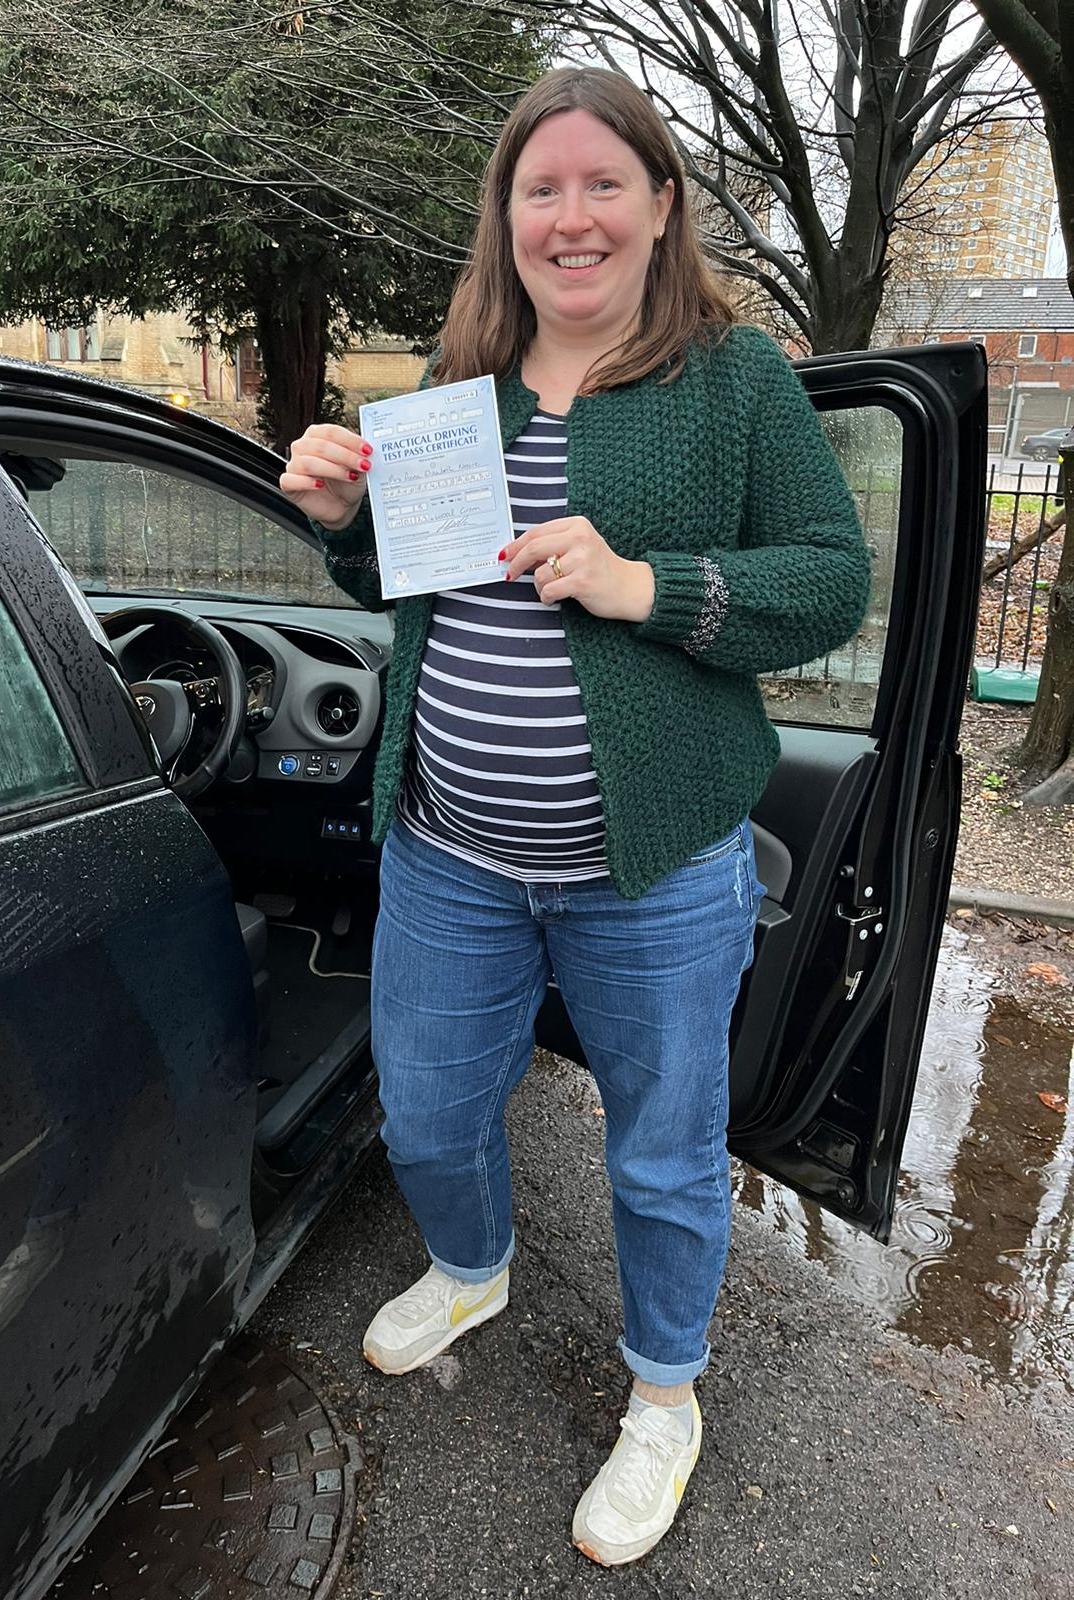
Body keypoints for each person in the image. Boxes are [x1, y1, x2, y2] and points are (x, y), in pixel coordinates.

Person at [279, 66, 869, 1567]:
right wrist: (345, 529)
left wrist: (642, 584)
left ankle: (665, 1394)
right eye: (541, 188)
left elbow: (830, 582)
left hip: (655, 868)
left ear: (662, 205)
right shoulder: (459, 385)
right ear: (507, 217)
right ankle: (471, 1265)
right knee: (425, 1108)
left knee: (664, 1155)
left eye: (606, 182)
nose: (573, 215)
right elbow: (406, 586)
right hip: (449, 854)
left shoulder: (735, 382)